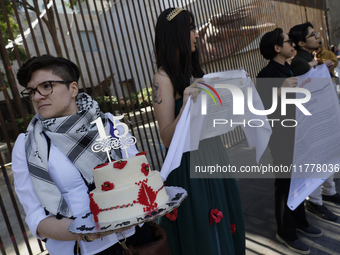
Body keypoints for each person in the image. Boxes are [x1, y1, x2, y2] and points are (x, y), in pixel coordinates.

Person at [12, 55, 154, 255]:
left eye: (46, 86)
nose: (36, 97)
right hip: (84, 248)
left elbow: (139, 178)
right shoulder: (27, 145)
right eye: (32, 91)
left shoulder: (109, 124)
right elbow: (36, 217)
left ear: (73, 88)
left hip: (137, 239)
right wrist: (89, 232)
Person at [152, 7, 245, 255]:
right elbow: (168, 138)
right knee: (203, 231)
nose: (197, 35)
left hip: (214, 154)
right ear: (176, 33)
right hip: (189, 162)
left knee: (223, 221)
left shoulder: (194, 71)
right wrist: (186, 105)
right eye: (192, 28)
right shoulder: (163, 78)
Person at [256, 28, 322, 255]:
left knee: (299, 181)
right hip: (281, 139)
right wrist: (280, 91)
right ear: (277, 48)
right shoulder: (266, 74)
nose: (292, 44)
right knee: (284, 185)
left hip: (299, 135)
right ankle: (286, 232)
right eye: (288, 42)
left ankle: (300, 221)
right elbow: (262, 109)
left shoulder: (289, 68)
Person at [289, 22, 340, 222]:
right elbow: (300, 70)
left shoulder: (311, 57)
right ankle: (315, 201)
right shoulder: (300, 61)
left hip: (321, 117)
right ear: (301, 42)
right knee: (317, 160)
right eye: (313, 35)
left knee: (327, 155)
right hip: (311, 122)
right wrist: (317, 65)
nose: (317, 37)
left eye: (316, 33)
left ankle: (329, 191)